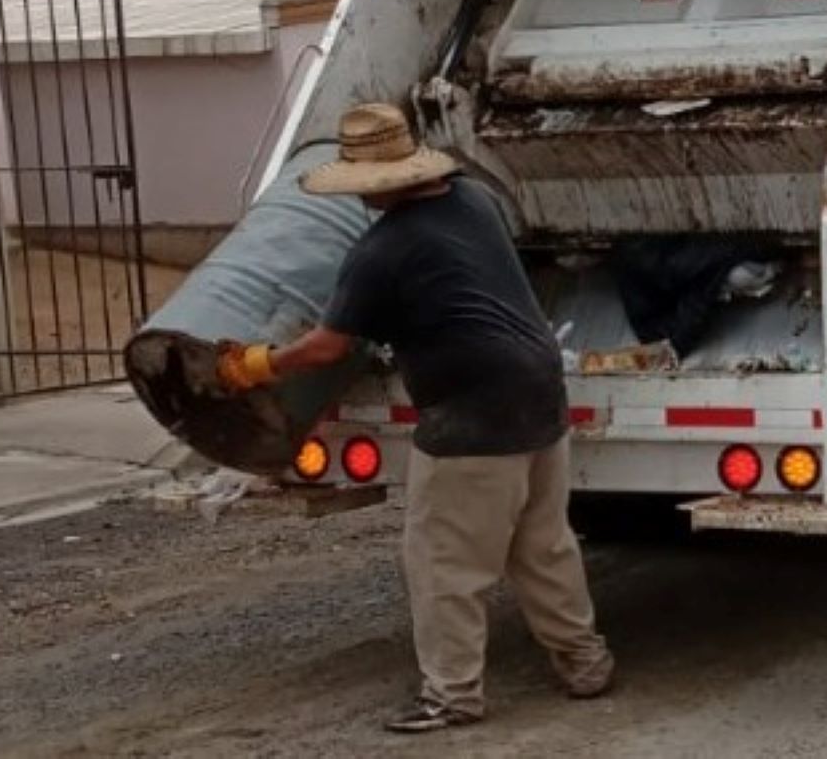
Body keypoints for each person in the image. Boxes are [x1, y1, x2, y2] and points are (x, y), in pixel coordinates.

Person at [217, 102, 613, 733]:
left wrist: (258, 365)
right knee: (544, 545)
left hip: (471, 417)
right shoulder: (474, 201)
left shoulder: (386, 250)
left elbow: (327, 347)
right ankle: (585, 663)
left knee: (444, 563)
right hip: (538, 391)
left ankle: (452, 695)